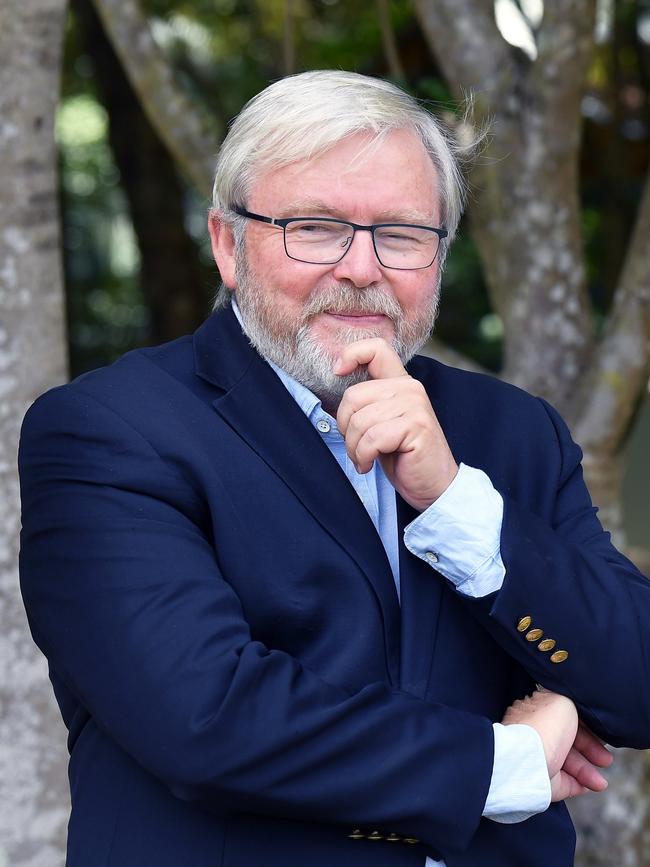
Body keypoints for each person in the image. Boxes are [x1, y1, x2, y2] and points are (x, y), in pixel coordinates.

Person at [19, 71, 650, 867]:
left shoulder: (514, 431)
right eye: (315, 227)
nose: (361, 267)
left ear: (440, 255)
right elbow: (208, 718)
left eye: (402, 233)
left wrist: (455, 501)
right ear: (228, 243)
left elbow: (640, 678)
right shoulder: (110, 430)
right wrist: (507, 763)